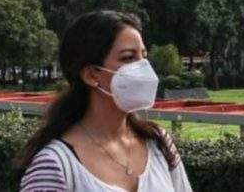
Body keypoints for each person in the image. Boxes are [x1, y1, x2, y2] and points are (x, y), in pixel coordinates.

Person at [16, 11, 192, 192]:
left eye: (143, 56)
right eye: (127, 58)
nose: (143, 68)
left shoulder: (159, 144)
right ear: (91, 75)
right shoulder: (54, 166)